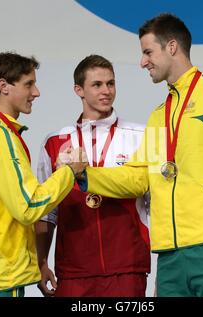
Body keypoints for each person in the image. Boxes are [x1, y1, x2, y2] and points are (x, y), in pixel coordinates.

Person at [75, 14, 203, 297]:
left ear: (172, 47)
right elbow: (138, 177)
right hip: (170, 255)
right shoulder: (159, 115)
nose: (142, 62)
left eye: (148, 52)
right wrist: (85, 175)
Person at [0, 52, 87, 297]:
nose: (37, 92)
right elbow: (29, 205)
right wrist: (69, 172)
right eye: (29, 84)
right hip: (0, 280)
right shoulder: (2, 137)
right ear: (3, 86)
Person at [35, 55, 151, 297]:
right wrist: (42, 261)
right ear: (79, 90)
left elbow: (155, 202)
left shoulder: (140, 135)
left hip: (127, 267)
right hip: (73, 270)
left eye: (111, 83)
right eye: (97, 85)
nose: (106, 91)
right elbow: (47, 211)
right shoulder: (55, 142)